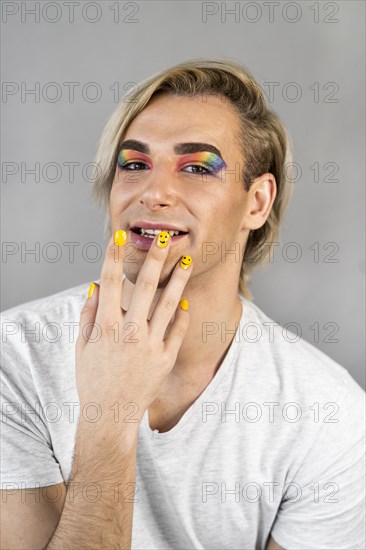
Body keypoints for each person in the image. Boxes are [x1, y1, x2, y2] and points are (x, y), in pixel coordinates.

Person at [1, 58, 365, 550]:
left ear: (256, 203)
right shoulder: (14, 358)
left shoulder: (331, 413)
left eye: (197, 167)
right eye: (135, 164)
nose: (154, 193)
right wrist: (110, 419)